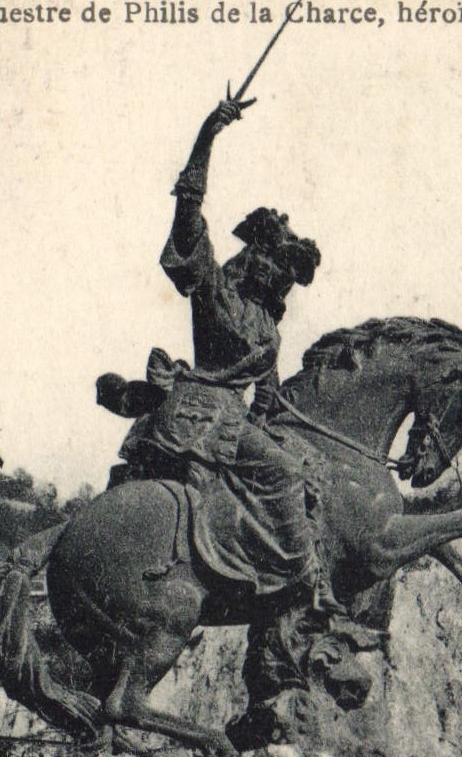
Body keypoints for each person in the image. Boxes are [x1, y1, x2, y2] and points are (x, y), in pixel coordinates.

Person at [99, 99, 341, 614]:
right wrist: (209, 131)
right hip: (198, 414)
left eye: (286, 276)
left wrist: (271, 416)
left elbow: (269, 393)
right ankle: (303, 580)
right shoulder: (214, 291)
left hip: (232, 421)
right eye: (277, 266)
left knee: (309, 464)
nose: (281, 280)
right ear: (256, 256)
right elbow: (189, 211)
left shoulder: (264, 322)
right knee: (282, 471)